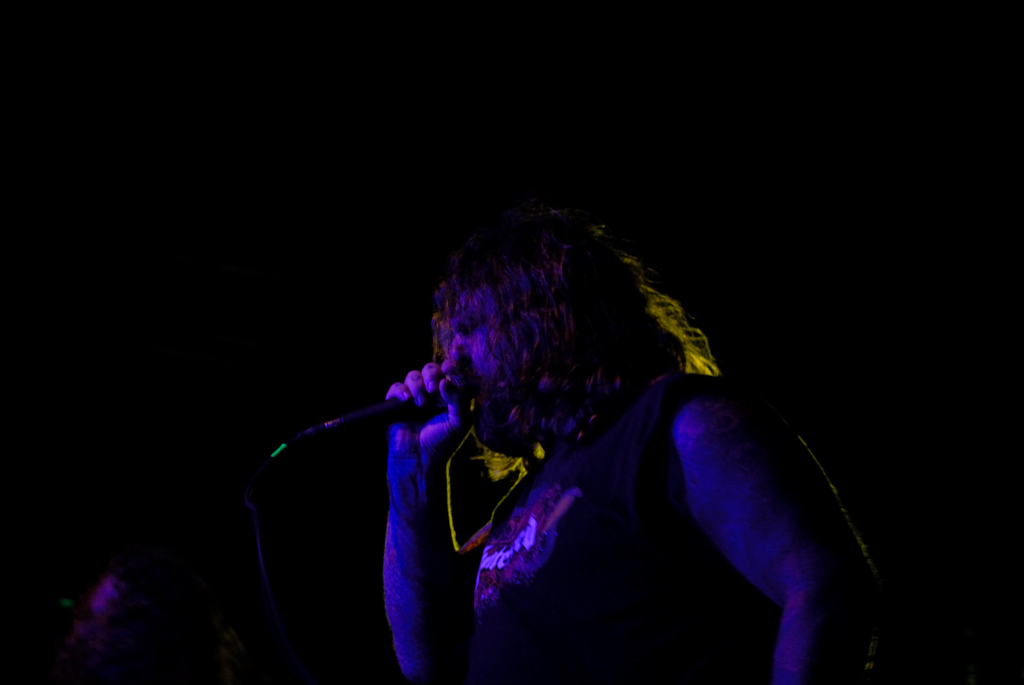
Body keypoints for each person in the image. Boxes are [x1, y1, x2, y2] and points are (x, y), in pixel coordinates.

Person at [383, 201, 880, 684]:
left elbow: (826, 589)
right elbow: (426, 661)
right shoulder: (519, 503)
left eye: (470, 329)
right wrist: (412, 474)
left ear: (539, 321)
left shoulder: (679, 422)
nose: (450, 361)